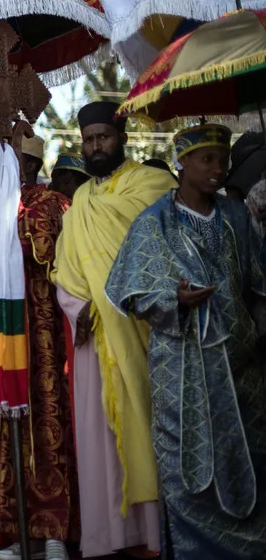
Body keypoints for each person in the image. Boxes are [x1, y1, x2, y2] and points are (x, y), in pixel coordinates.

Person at [107, 123, 266, 560]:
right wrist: (172, 299)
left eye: (223, 158)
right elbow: (131, 292)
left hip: (243, 368)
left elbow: (259, 282)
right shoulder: (154, 222)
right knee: (186, 463)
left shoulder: (236, 216)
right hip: (182, 368)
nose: (219, 168)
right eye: (207, 159)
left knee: (250, 457)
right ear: (182, 163)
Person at [51, 101, 177, 558]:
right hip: (92, 333)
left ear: (121, 137)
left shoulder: (154, 184)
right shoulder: (80, 200)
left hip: (143, 329)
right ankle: (108, 535)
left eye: (103, 136)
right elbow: (64, 267)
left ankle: (155, 531)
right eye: (89, 139)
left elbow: (167, 251)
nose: (96, 145)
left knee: (146, 422)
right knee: (98, 433)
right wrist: (77, 305)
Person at [0, 137, 77, 560]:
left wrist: (8, 235)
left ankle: (54, 532)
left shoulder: (52, 202)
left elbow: (49, 249)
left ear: (26, 164)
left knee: (48, 425)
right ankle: (14, 531)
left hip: (42, 336)